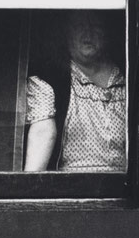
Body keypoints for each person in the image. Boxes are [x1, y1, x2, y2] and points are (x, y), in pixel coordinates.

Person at [24, 11, 126, 172]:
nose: (88, 33)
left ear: (106, 33)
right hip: (72, 189)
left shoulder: (127, 80)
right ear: (66, 33)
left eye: (96, 26)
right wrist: (28, 190)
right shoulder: (51, 81)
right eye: (79, 26)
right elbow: (42, 133)